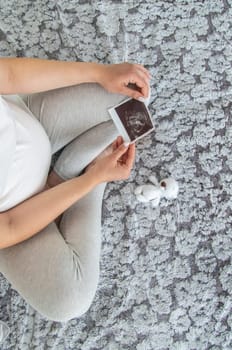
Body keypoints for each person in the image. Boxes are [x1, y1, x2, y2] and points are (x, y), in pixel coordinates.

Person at [0, 57, 150, 322]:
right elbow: (10, 225)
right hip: (18, 212)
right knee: (70, 299)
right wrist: (91, 181)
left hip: (32, 122)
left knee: (135, 98)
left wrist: (99, 73)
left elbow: (9, 75)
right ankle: (77, 173)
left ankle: (66, 171)